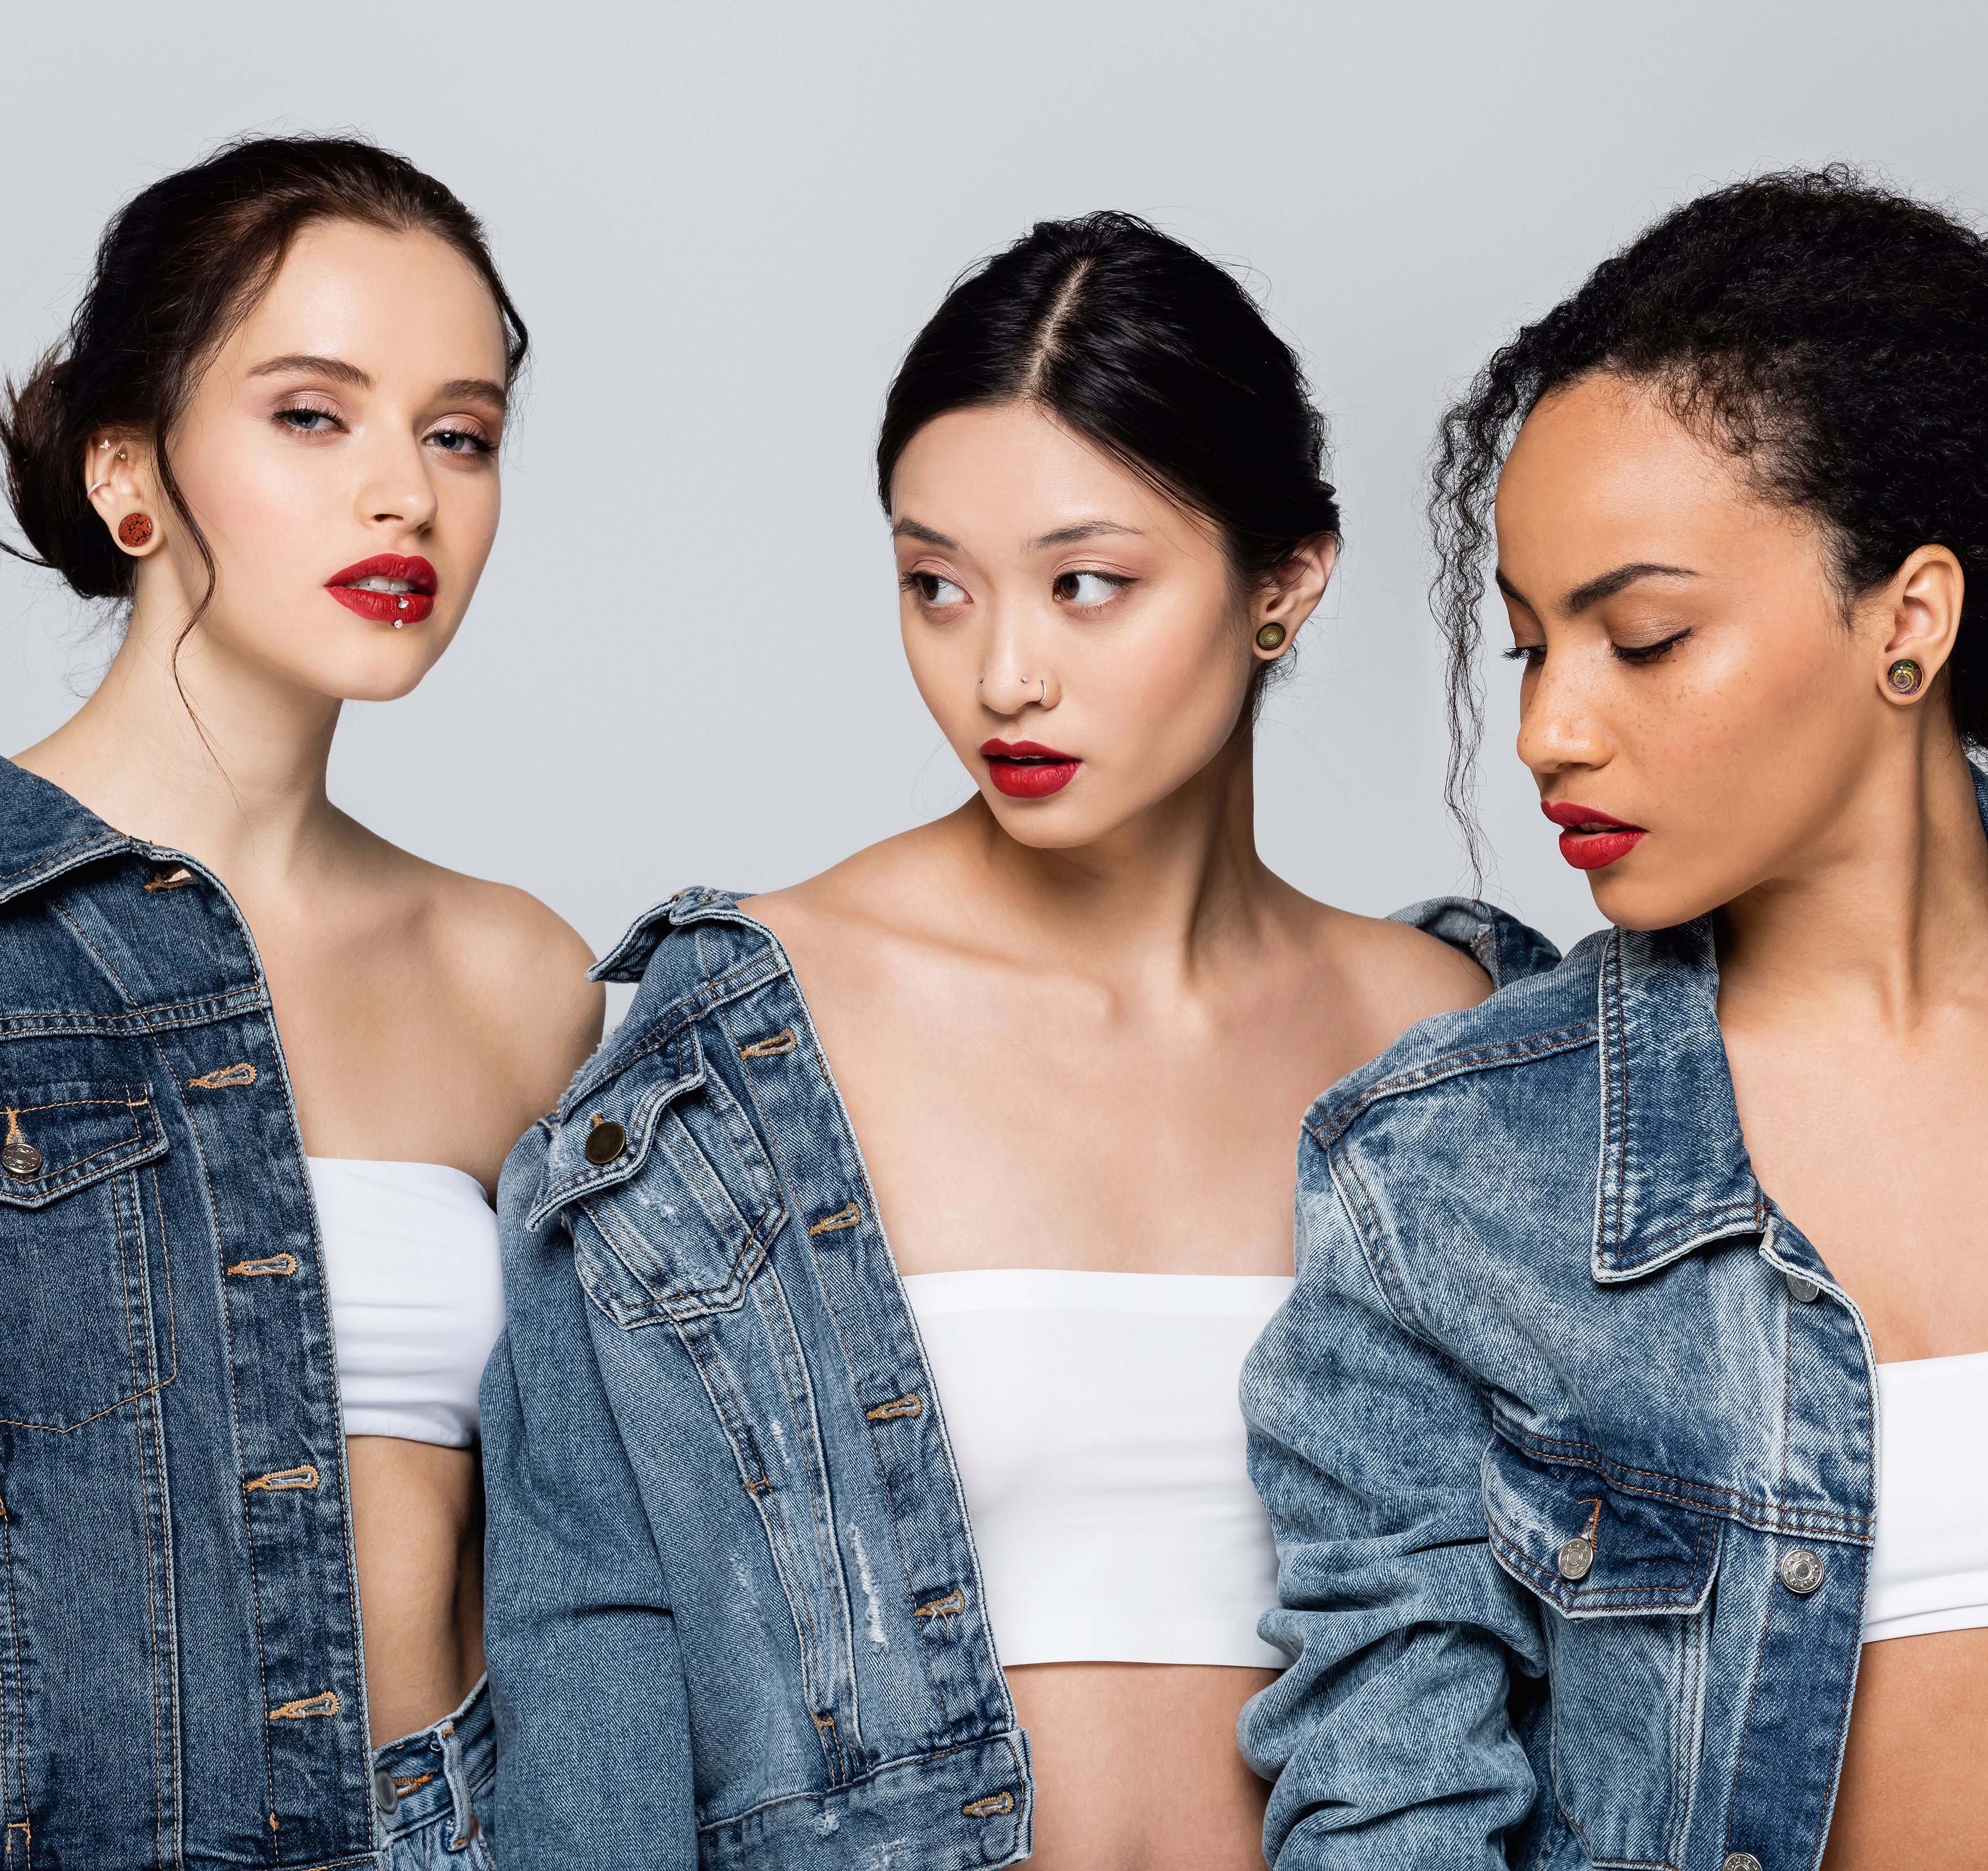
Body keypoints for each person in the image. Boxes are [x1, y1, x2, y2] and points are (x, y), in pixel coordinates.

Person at [1238, 168, 1988, 1871]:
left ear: (1910, 619)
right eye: (1533, 648)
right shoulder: (1445, 1172)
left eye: (1645, 637)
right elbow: (1390, 1808)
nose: (1551, 731)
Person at [482, 211, 1505, 1869]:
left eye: (1087, 585)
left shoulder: (1455, 1038)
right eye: (935, 586)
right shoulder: (736, 1049)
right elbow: (590, 1628)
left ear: (1286, 582)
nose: (1002, 672)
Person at [0, 135, 594, 1870]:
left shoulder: (523, 979)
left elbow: (599, 1584)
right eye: (312, 415)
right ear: (130, 477)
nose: (404, 492)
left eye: (458, 433)